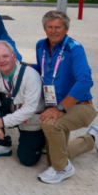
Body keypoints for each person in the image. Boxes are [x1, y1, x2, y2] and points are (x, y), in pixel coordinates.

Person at [32, 11, 96, 184]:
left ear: (66, 29)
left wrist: (60, 109)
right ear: (44, 28)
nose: (54, 31)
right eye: (50, 27)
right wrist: (19, 66)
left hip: (79, 105)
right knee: (54, 157)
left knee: (50, 124)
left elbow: (85, 81)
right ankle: (92, 138)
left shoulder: (75, 48)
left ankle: (62, 169)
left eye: (58, 27)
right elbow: (45, 68)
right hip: (54, 103)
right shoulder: (40, 45)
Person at [0, 41, 46, 166]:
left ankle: (43, 139)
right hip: (9, 110)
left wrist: (2, 122)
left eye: (5, 56)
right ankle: (2, 144)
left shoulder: (31, 75)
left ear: (14, 55)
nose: (2, 61)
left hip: (30, 118)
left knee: (27, 160)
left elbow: (29, 109)